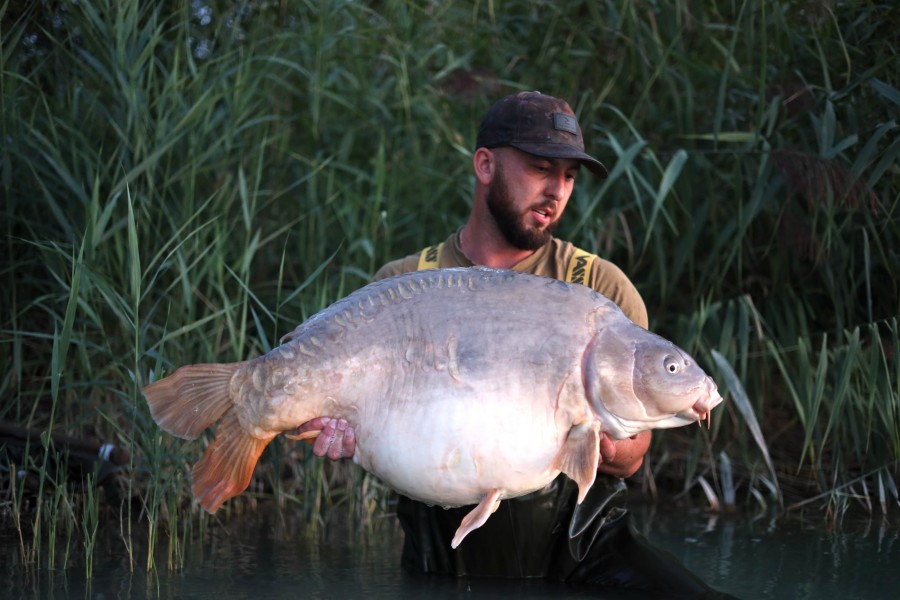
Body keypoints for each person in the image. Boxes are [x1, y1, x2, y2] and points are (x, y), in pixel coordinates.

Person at [298, 91, 733, 598]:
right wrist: (345, 433)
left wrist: (588, 427)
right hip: (444, 559)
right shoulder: (404, 285)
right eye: (541, 168)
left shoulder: (600, 288)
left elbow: (634, 456)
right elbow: (381, 430)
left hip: (582, 553)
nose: (557, 191)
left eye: (569, 177)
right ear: (485, 165)